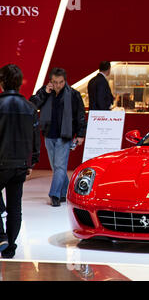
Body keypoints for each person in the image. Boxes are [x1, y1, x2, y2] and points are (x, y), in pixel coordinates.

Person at [30, 67, 87, 207]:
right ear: (50, 81)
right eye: (55, 82)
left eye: (60, 82)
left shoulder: (73, 95)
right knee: (57, 168)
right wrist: (44, 93)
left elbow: (80, 115)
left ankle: (54, 195)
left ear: (65, 81)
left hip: (65, 135)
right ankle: (65, 193)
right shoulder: (45, 92)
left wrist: (80, 134)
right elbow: (32, 105)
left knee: (60, 166)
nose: (57, 85)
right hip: (49, 135)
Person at [0, 64, 40, 258]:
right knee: (15, 207)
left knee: (11, 206)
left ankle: (1, 237)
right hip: (20, 165)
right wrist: (32, 162)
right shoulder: (30, 108)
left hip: (0, 163)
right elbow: (35, 137)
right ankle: (10, 246)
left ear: (2, 82)